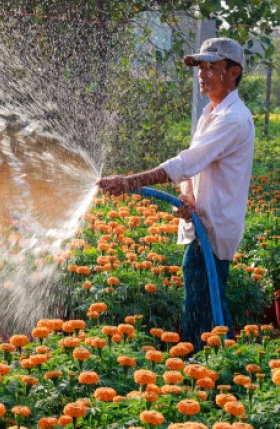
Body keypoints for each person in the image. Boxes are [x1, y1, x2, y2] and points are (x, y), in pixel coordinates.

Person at [97, 37, 255, 350]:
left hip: (215, 225)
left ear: (233, 72)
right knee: (208, 298)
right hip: (203, 220)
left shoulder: (232, 119)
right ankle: (218, 363)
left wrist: (130, 181)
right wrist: (188, 197)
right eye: (200, 66)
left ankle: (202, 366)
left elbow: (186, 162)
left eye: (211, 66)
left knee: (203, 303)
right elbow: (193, 168)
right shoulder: (213, 114)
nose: (202, 73)